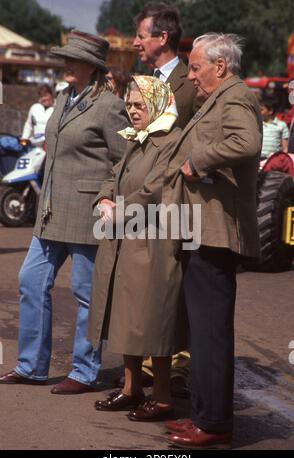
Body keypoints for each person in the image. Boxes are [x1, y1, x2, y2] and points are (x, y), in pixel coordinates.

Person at [0, 30, 128, 394]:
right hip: (51, 211)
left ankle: (85, 371)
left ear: (91, 66)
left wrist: (107, 198)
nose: (65, 64)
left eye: (72, 59)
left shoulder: (109, 106)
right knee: (30, 281)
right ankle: (31, 366)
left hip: (89, 212)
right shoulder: (61, 97)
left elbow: (123, 162)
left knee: (86, 292)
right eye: (65, 58)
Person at [164, 33, 262, 448]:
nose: (191, 75)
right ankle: (205, 416)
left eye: (196, 67)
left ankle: (215, 424)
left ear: (220, 66)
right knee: (203, 331)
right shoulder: (218, 99)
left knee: (210, 332)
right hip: (200, 229)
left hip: (216, 233)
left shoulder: (235, 97)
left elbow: (247, 142)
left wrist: (196, 161)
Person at [88, 75, 187, 421]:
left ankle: (162, 398)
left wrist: (117, 209)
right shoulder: (135, 140)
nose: (132, 111)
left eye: (139, 105)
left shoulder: (171, 142)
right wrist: (103, 196)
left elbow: (155, 190)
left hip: (153, 243)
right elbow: (112, 173)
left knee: (153, 322)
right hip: (125, 239)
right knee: (127, 317)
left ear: (157, 105)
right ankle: (131, 389)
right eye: (129, 104)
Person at [132, 1, 197, 396]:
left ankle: (177, 371)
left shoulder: (193, 83)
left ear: (162, 37)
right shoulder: (144, 80)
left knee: (179, 287)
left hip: (179, 202)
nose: (136, 42)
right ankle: (149, 366)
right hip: (144, 202)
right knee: (151, 287)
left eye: (141, 35)